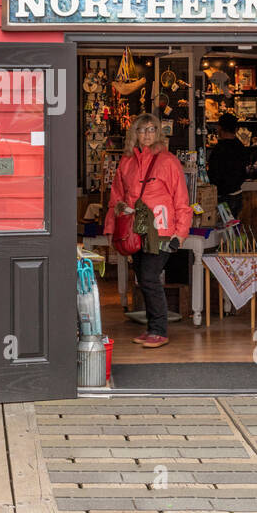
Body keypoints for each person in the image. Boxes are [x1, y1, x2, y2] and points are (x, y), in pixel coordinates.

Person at [104, 113, 192, 349]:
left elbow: (182, 200)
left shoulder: (169, 161)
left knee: (150, 277)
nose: (147, 134)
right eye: (142, 130)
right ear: (134, 133)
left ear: (158, 133)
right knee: (143, 278)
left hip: (161, 229)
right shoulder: (126, 162)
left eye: (152, 129)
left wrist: (180, 234)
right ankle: (152, 327)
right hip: (135, 229)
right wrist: (113, 227)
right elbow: (117, 197)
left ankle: (158, 330)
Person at [207, 115, 251, 210]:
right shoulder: (240, 146)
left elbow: (214, 174)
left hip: (223, 197)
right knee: (234, 224)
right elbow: (245, 172)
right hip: (237, 194)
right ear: (235, 129)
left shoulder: (219, 149)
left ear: (220, 128)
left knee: (222, 224)